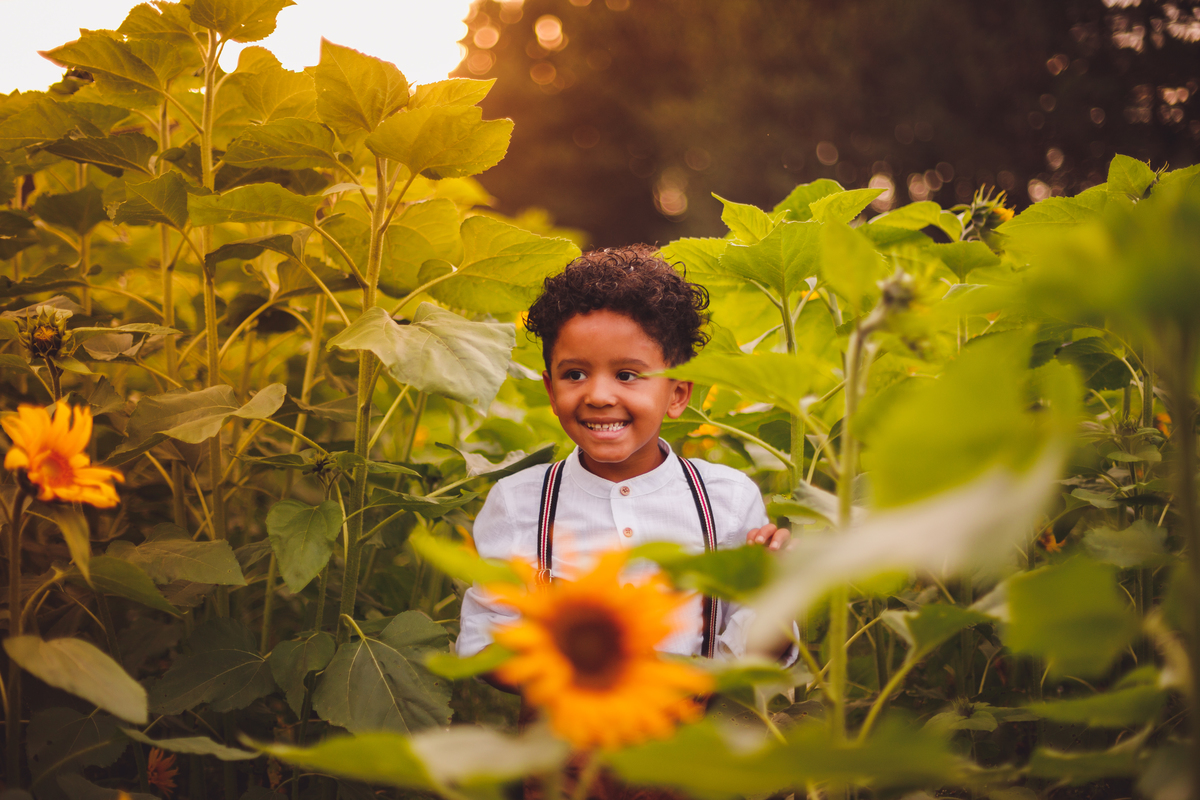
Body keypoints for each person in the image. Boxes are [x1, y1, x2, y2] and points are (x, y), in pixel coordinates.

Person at [456, 244, 792, 674]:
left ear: (677, 394)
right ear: (551, 391)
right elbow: (484, 644)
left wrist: (779, 592)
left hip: (692, 717)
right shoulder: (519, 502)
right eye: (575, 374)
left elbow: (753, 656)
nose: (598, 396)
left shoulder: (727, 500)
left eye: (627, 375)